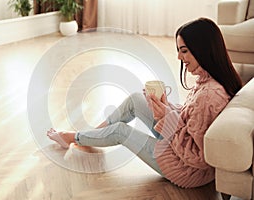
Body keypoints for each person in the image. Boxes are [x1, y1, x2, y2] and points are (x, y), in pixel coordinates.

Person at [47, 17, 242, 188]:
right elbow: (190, 120)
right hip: (178, 148)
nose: (179, 58)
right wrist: (167, 107)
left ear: (203, 49)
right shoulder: (209, 81)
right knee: (136, 99)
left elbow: (198, 157)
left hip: (186, 169)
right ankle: (95, 135)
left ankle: (73, 137)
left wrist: (165, 115)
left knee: (120, 131)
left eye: (184, 51)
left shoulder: (209, 95)